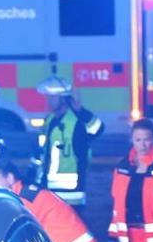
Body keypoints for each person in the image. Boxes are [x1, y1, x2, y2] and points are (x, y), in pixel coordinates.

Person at [36, 75, 103, 209]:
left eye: (53, 97)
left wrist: (81, 111)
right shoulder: (49, 120)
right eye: (48, 97)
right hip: (49, 190)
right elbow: (43, 152)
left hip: (72, 194)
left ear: (64, 98)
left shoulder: (77, 121)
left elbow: (98, 129)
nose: (49, 100)